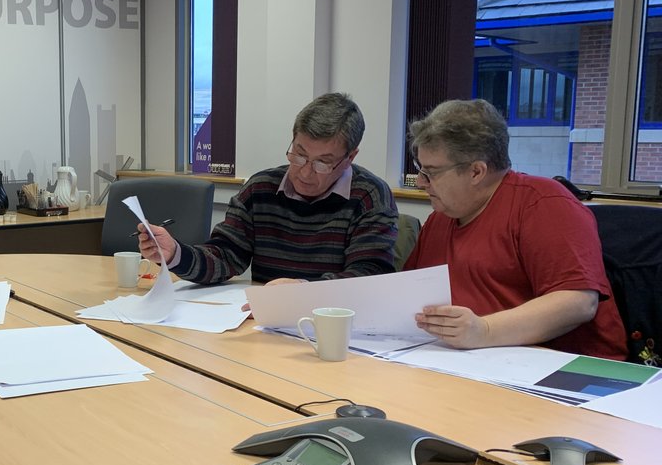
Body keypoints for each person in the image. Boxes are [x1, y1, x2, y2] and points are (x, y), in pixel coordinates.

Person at [403, 98, 625, 359]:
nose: (420, 182)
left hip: (561, 369)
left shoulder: (544, 203)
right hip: (467, 364)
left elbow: (578, 302)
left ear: (476, 172)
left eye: (431, 172)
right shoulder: (441, 217)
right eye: (420, 169)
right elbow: (410, 292)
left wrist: (484, 330)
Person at [139, 92, 398, 284]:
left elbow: (369, 276)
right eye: (299, 155)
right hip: (263, 324)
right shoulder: (261, 189)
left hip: (331, 328)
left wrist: (304, 291)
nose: (306, 172)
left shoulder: (370, 195)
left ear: (350, 158)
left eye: (322, 163)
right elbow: (226, 256)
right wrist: (176, 253)